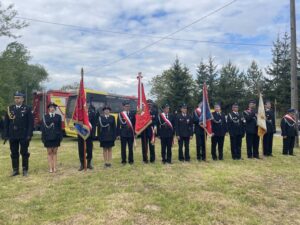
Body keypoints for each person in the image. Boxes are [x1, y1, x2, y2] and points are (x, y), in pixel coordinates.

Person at [3, 92, 33, 176]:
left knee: (24, 152)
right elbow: (6, 123)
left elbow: (31, 123)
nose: (17, 99)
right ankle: (15, 170)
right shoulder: (10, 108)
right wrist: (6, 134)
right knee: (14, 153)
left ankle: (25, 169)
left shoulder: (27, 108)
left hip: (23, 135)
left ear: (23, 99)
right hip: (13, 135)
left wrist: (29, 135)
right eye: (15, 98)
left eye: (19, 98)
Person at [41, 103, 63, 173]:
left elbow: (60, 128)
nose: (52, 108)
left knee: (55, 152)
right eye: (50, 107)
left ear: (55, 109)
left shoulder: (58, 116)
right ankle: (51, 168)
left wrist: (60, 137)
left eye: (53, 107)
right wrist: (43, 137)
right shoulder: (45, 117)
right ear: (48, 109)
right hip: (48, 137)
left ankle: (55, 167)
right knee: (49, 152)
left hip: (56, 137)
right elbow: (43, 128)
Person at [78, 103, 97, 171]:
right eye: (85, 106)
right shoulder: (79, 114)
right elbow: (75, 123)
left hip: (89, 133)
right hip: (81, 133)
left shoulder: (92, 113)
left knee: (89, 149)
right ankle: (82, 164)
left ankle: (89, 163)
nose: (86, 107)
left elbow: (94, 124)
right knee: (81, 149)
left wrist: (93, 134)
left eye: (87, 106)